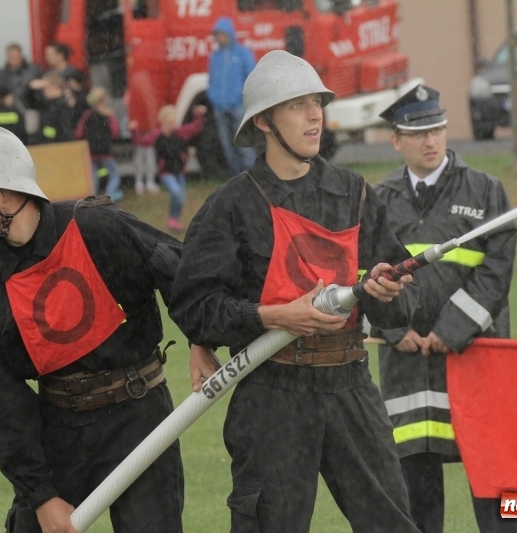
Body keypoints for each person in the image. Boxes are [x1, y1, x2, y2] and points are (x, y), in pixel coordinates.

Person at [168, 50, 421, 533]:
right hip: (272, 397)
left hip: (351, 385)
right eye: (297, 105)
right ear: (263, 121)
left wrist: (386, 293)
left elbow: (406, 307)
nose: (314, 116)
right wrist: (273, 317)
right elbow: (195, 308)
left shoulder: (355, 192)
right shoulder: (231, 206)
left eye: (317, 103)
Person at [0, 125, 211, 532]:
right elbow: (3, 398)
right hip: (61, 429)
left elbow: (179, 270)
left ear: (4, 193)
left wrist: (199, 340)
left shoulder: (96, 226)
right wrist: (41, 496)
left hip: (140, 416)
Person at [372, 84, 517, 533]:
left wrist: (452, 329)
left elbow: (497, 269)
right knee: (415, 492)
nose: (430, 140)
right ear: (395, 140)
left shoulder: (486, 191)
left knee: (496, 487)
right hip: (408, 364)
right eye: (418, 133)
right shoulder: (378, 201)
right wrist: (395, 330)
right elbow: (363, 273)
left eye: (437, 129)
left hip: (475, 358)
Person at [129, 104, 207, 232]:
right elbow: (142, 141)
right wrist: (134, 131)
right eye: (169, 122)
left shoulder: (179, 132)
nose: (172, 124)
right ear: (163, 121)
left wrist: (199, 115)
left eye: (173, 121)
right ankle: (172, 218)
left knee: (181, 198)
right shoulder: (157, 134)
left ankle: (174, 219)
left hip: (179, 170)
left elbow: (195, 127)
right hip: (166, 172)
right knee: (176, 193)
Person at [207, 17, 257, 177]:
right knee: (227, 145)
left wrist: (240, 97)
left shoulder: (243, 53)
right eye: (217, 34)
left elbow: (251, 77)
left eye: (222, 34)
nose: (219, 37)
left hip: (238, 106)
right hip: (219, 107)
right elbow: (212, 80)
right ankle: (237, 177)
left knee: (243, 143)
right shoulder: (214, 56)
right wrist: (213, 97)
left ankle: (252, 176)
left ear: (229, 33)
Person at [75, 86, 123, 202]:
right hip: (105, 151)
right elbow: (115, 133)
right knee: (114, 174)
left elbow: (79, 133)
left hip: (91, 151)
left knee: (93, 176)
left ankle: (92, 198)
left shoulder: (87, 115)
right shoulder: (109, 115)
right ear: (104, 99)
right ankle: (108, 195)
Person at [0, 42, 44, 113]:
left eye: (15, 56)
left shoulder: (33, 71)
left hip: (30, 110)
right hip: (8, 112)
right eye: (10, 56)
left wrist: (14, 97)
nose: (13, 59)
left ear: (21, 55)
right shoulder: (1, 74)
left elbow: (28, 86)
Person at [28, 71, 76, 144]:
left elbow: (65, 130)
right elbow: (27, 100)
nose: (43, 91)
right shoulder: (46, 103)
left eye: (44, 87)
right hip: (46, 144)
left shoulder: (64, 105)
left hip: (57, 145)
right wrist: (30, 87)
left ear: (52, 86)